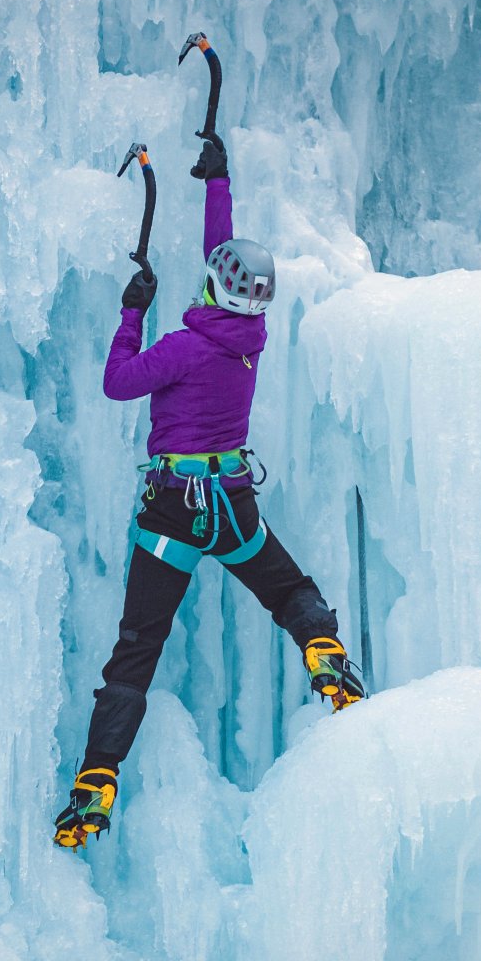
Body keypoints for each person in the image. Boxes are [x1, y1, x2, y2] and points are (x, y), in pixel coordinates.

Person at [54, 132, 365, 850]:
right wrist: (217, 182)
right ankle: (323, 653)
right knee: (288, 590)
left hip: (172, 515)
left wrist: (132, 313)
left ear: (211, 286)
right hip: (231, 508)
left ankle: (97, 780)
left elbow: (117, 383)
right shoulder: (248, 340)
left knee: (137, 648)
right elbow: (221, 254)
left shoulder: (184, 347)